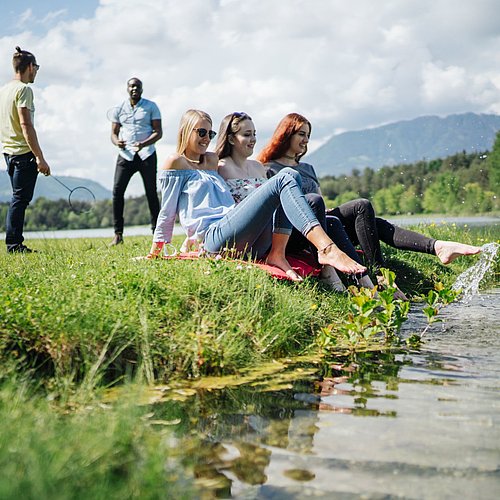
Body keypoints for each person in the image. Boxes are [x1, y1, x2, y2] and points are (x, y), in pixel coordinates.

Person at [257, 113, 482, 296]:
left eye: (308, 135)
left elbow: (320, 197)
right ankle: (380, 276)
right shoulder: (268, 168)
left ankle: (424, 252)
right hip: (296, 230)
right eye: (301, 134)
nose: (306, 140)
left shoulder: (308, 168)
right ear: (286, 134)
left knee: (363, 208)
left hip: (323, 219)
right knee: (343, 213)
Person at [147, 109, 367, 281]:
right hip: (216, 238)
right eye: (201, 132)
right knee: (285, 177)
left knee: (290, 180)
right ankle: (326, 249)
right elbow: (168, 211)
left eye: (210, 133)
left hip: (246, 236)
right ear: (185, 131)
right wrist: (158, 250)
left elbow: (213, 200)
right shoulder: (175, 162)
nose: (206, 138)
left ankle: (279, 254)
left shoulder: (211, 161)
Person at [215, 111, 375, 290]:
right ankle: (329, 263)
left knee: (331, 219)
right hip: (246, 235)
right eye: (246, 135)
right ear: (230, 139)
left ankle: (364, 281)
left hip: (270, 232)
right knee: (307, 195)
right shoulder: (219, 167)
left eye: (254, 134)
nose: (253, 139)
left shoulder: (258, 167)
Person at [0, 46, 50, 254]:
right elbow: (25, 125)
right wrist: (40, 158)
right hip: (22, 154)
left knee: (17, 198)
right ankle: (14, 244)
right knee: (20, 200)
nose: (37, 71)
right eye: (36, 67)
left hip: (8, 153)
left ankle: (13, 242)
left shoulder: (4, 89)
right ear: (30, 67)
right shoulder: (24, 90)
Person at [109, 77, 162, 245]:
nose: (134, 89)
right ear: (127, 88)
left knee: (151, 193)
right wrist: (117, 141)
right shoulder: (119, 108)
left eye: (137, 86)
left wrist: (144, 143)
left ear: (142, 89)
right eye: (132, 86)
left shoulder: (151, 107)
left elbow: (158, 132)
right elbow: (113, 133)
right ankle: (118, 234)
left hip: (146, 154)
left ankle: (156, 232)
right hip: (125, 156)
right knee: (117, 192)